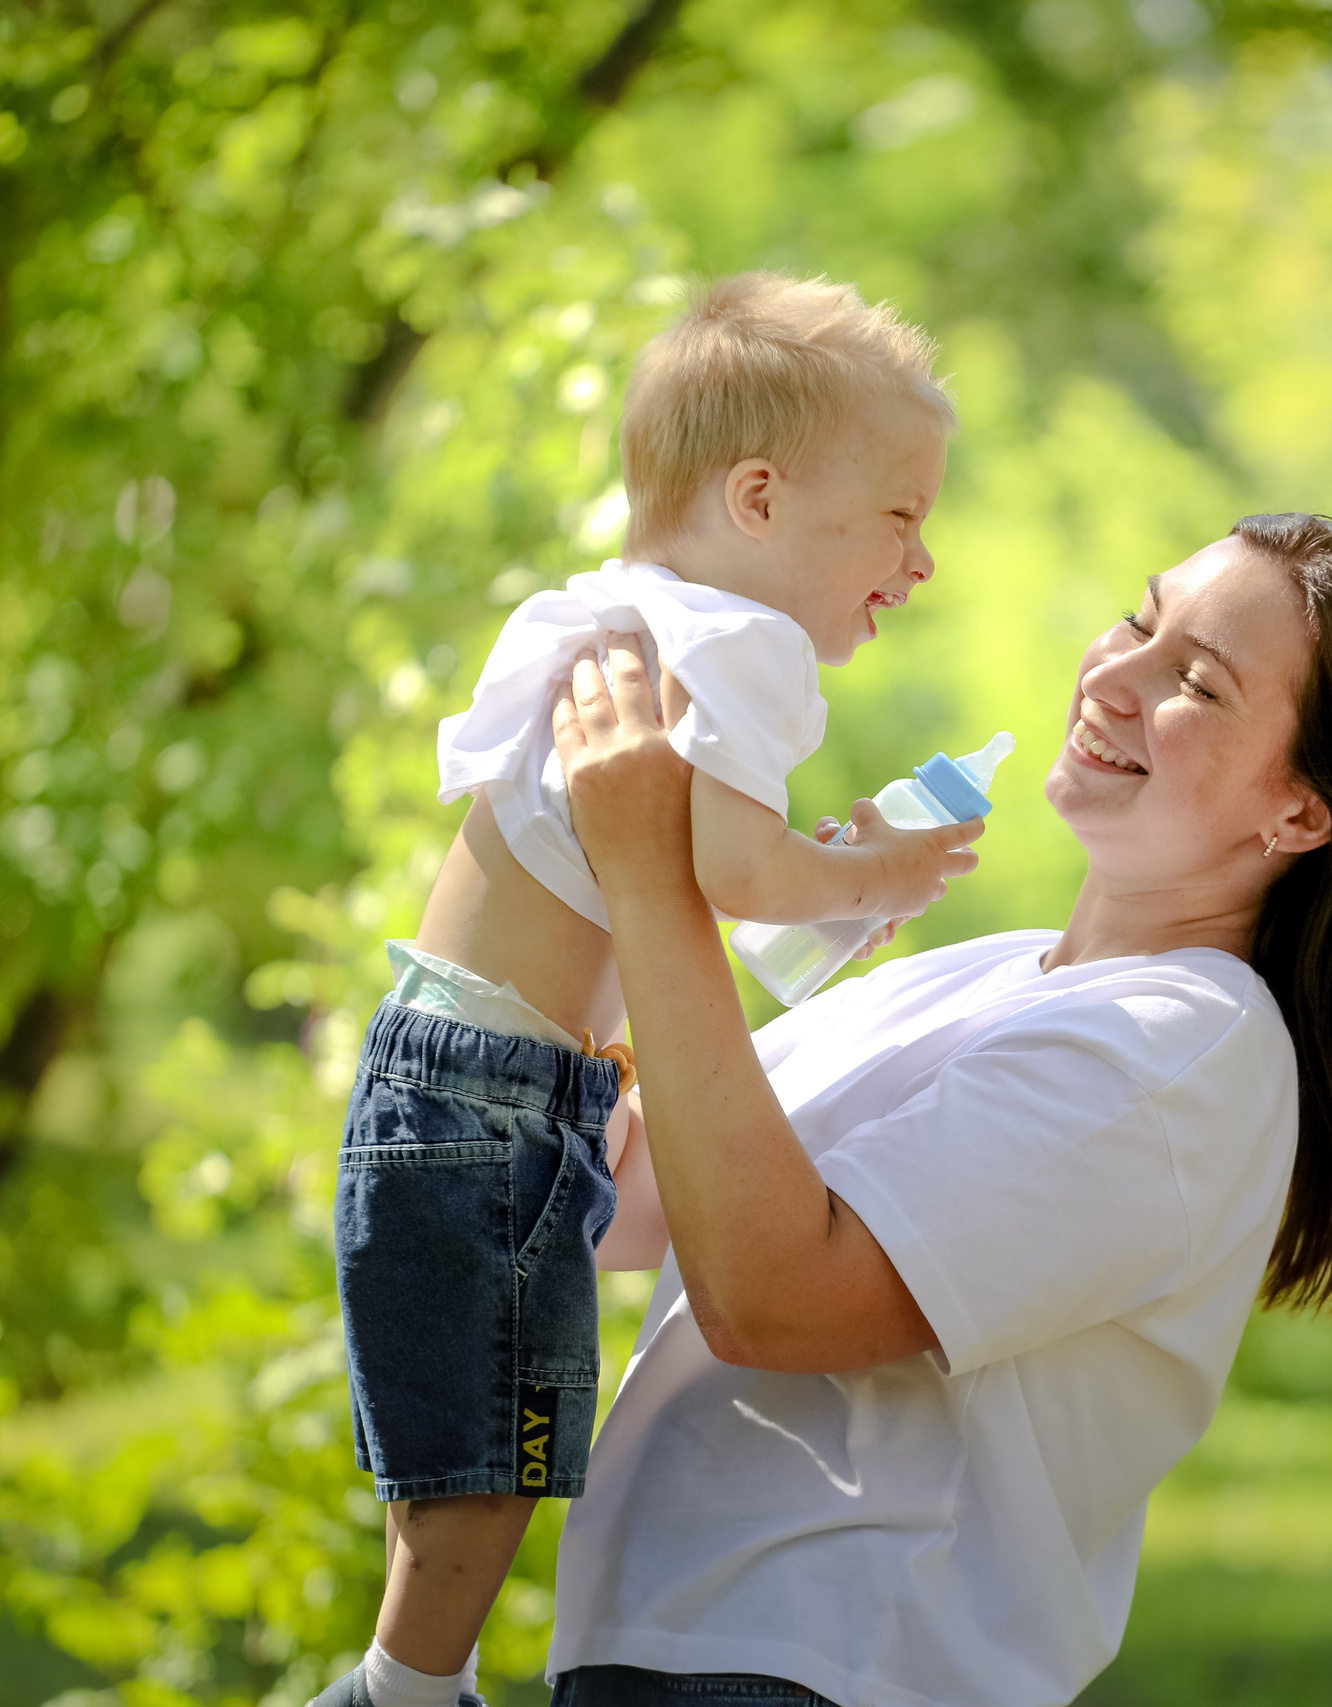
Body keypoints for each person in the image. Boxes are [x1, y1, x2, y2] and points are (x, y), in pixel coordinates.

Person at [540, 514, 1332, 1707]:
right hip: (669, 1650)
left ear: (1298, 814)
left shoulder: (1180, 1053)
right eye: (1141, 619)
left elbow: (771, 1298)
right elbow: (623, 1201)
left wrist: (653, 885)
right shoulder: (992, 974)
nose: (1116, 675)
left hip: (820, 1673)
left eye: (1194, 680)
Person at [316, 274, 985, 1707]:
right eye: (900, 514)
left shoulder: (618, 619)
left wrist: (839, 894)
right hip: (495, 1089)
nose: (919, 559)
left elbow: (693, 899)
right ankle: (399, 1695)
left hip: (468, 1068)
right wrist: (876, 870)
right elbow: (738, 870)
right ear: (758, 496)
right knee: (491, 1447)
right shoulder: (736, 646)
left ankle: (409, 1677)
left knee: (467, 1432)